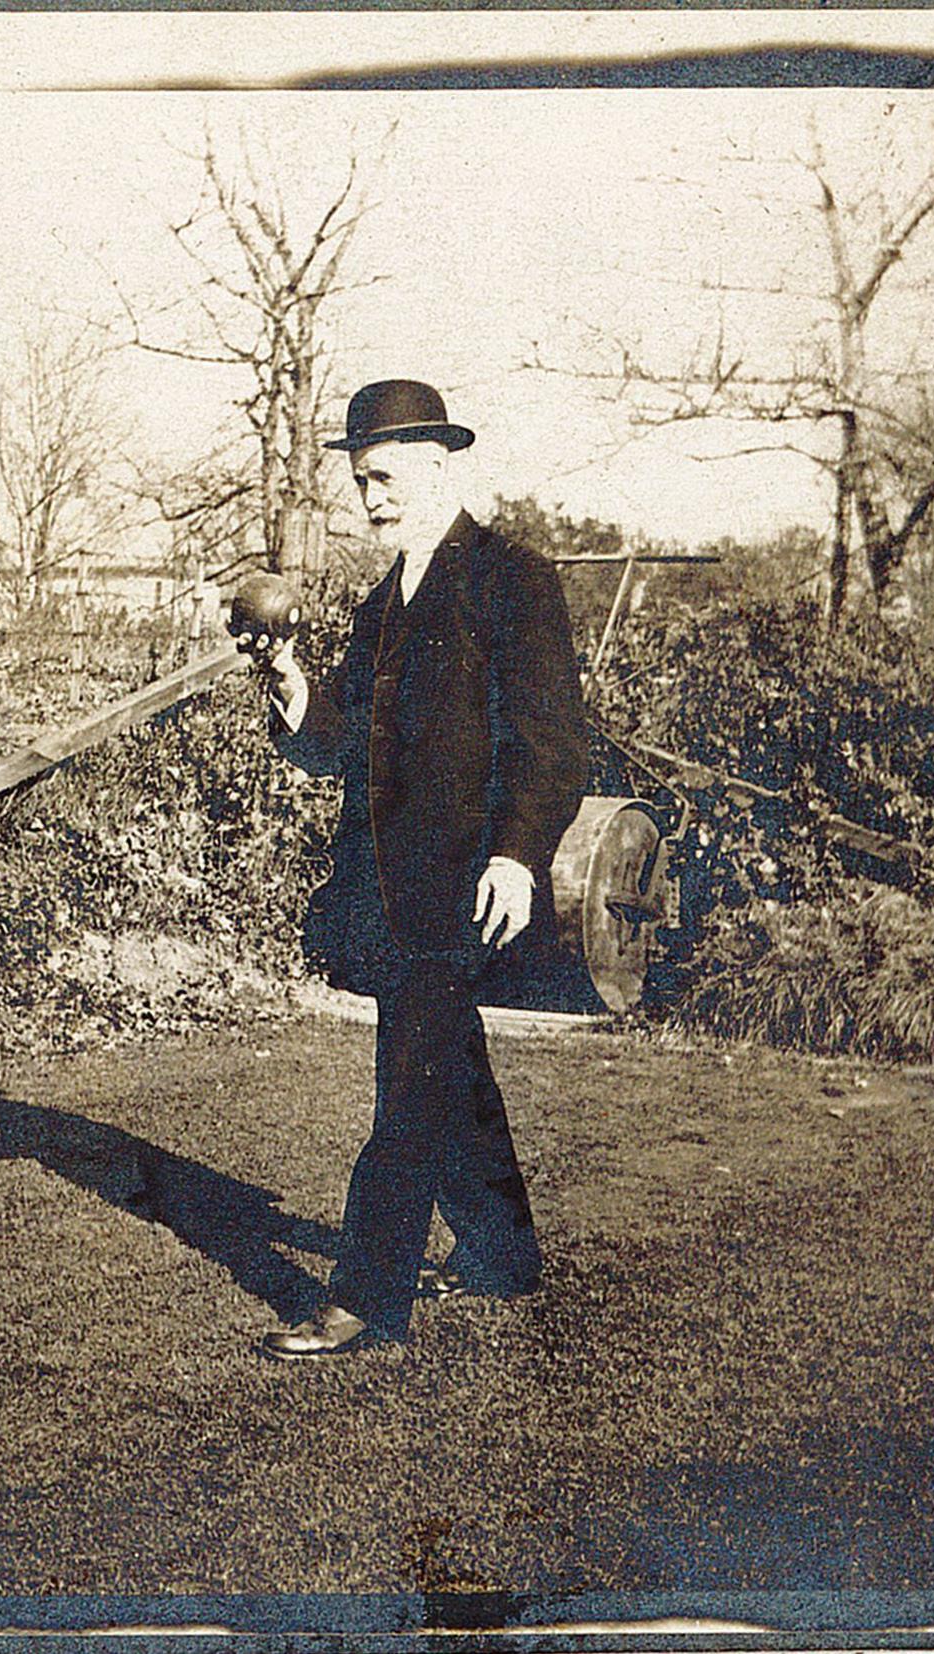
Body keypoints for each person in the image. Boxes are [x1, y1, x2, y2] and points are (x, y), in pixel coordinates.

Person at [252, 379, 588, 1360]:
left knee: (407, 1089)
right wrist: (290, 686)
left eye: (385, 478)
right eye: (360, 483)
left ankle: (362, 1295)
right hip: (388, 890)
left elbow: (553, 740)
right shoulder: (379, 603)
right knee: (448, 1068)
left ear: (442, 467)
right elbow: (336, 747)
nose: (370, 500)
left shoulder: (512, 580)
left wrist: (518, 855)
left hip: (466, 884)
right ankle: (504, 1255)